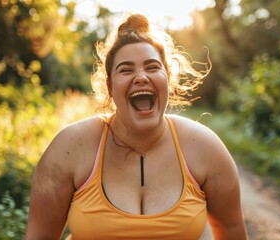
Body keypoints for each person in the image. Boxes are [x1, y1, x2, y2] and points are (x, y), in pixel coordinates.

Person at [25, 14, 247, 240]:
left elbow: (231, 231)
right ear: (110, 87)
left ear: (167, 79)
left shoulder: (206, 148)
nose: (141, 77)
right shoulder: (70, 148)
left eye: (152, 67)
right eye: (126, 69)